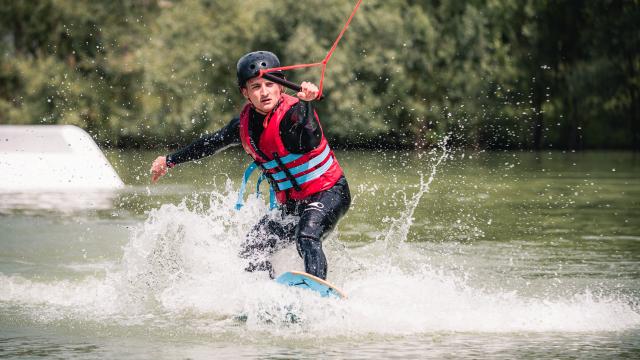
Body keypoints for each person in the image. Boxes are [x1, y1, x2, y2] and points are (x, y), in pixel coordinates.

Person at [150, 51, 350, 280]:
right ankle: (265, 293)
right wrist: (169, 160)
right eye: (255, 87)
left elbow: (309, 138)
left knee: (306, 236)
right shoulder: (242, 125)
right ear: (245, 93)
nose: (264, 92)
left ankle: (317, 294)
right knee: (252, 249)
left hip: (329, 192)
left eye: (269, 84)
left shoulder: (294, 113)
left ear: (281, 87)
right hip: (293, 204)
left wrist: (306, 105)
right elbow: (210, 144)